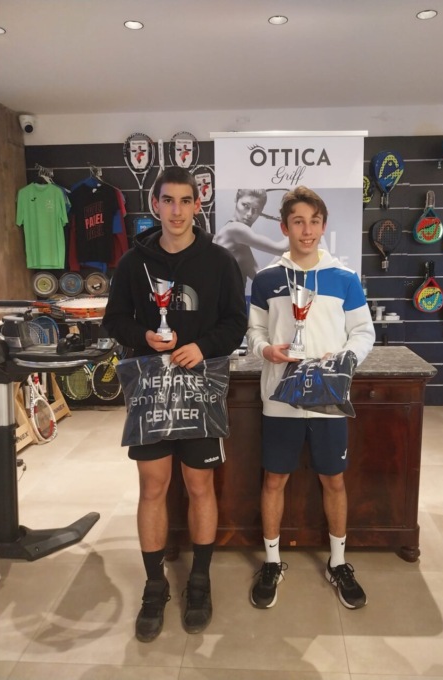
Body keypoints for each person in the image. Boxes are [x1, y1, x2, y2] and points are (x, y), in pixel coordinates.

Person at [102, 167, 246, 640]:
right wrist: (143, 335)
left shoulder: (220, 261)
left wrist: (202, 346)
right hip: (151, 388)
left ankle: (199, 581)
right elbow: (114, 319)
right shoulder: (133, 263)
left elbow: (236, 322)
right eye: (169, 200)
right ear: (156, 204)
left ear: (198, 205)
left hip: (201, 386)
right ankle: (155, 585)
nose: (177, 210)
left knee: (200, 485)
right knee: (152, 487)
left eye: (186, 201)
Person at [247, 185, 375, 611]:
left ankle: (338, 562)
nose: (307, 230)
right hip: (279, 399)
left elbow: (363, 332)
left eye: (314, 221)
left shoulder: (344, 278)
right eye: (298, 222)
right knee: (274, 479)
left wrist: (343, 360)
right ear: (284, 227)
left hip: (328, 397)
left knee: (333, 480)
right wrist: (266, 350)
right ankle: (271, 562)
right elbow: (254, 332)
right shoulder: (266, 279)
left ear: (323, 226)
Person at [214, 189, 289, 289]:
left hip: (233, 298)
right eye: (245, 205)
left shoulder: (239, 244)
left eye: (256, 210)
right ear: (236, 200)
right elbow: (283, 249)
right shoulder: (236, 229)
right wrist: (293, 224)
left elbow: (260, 278)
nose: (250, 214)